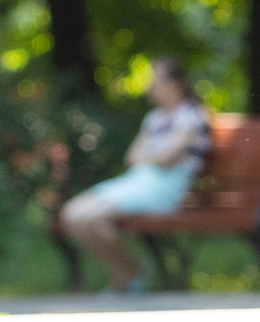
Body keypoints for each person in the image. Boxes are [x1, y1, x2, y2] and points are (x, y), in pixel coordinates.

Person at [53, 57, 212, 292]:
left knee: (84, 217)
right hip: (138, 182)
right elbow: (133, 157)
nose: (150, 87)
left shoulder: (192, 116)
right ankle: (130, 271)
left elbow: (167, 160)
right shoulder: (154, 118)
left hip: (164, 191)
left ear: (174, 84)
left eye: (155, 81)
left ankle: (129, 274)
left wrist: (150, 157)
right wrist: (154, 157)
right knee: (71, 215)